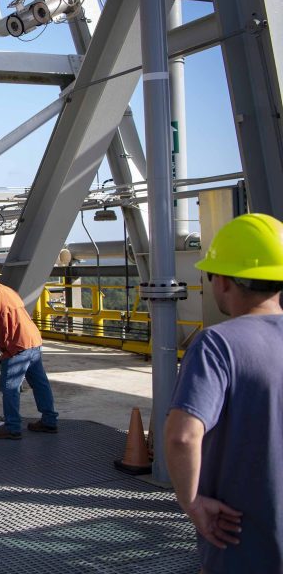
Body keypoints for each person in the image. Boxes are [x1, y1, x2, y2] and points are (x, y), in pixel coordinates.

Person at [165, 213, 283, 573]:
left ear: (225, 281)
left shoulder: (218, 344)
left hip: (242, 539)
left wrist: (192, 502)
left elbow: (183, 438)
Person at [0, 260, 58, 440]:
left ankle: (13, 427)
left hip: (17, 347)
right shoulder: (7, 290)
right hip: (33, 341)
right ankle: (49, 421)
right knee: (40, 384)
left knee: (10, 388)